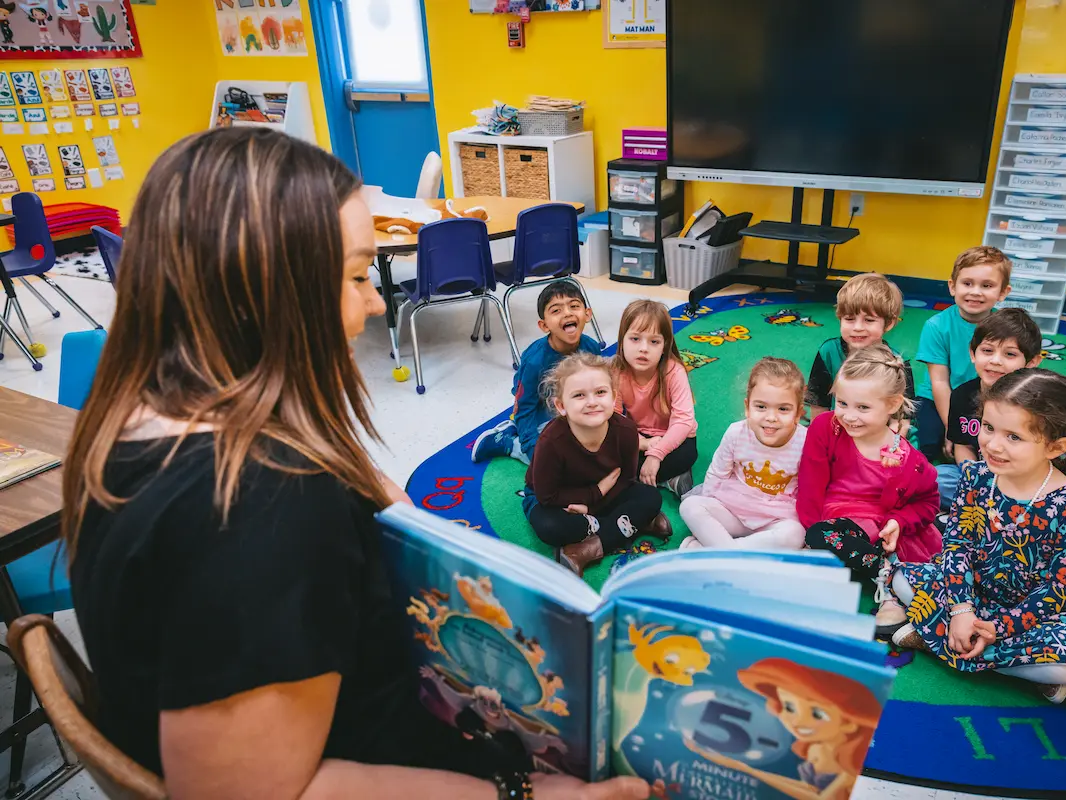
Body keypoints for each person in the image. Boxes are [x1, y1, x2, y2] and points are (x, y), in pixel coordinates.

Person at [63, 128, 648, 800]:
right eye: (355, 275)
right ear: (268, 293)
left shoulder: (127, 422)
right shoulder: (263, 506)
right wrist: (525, 795)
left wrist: (367, 490)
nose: (375, 303)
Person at [876, 369, 1066, 705]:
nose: (993, 445)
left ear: (1055, 446)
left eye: (1014, 437)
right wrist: (961, 611)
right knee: (900, 578)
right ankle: (991, 656)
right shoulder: (976, 477)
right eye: (988, 428)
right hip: (972, 592)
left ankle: (937, 639)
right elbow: (956, 548)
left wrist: (999, 628)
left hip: (1036, 614)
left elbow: (1059, 588)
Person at [798, 345, 941, 584]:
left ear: (893, 405)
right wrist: (810, 533)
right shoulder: (825, 427)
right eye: (842, 403)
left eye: (863, 407)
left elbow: (928, 502)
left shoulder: (910, 460)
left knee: (830, 547)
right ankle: (879, 570)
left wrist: (899, 521)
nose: (849, 416)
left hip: (877, 528)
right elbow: (810, 485)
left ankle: (884, 573)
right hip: (832, 523)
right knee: (820, 536)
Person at [524, 353, 671, 575]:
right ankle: (631, 524)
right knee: (550, 527)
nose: (592, 402)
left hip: (607, 494)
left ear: (613, 398)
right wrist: (594, 493)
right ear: (561, 406)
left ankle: (586, 549)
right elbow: (547, 496)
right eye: (579, 395)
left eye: (600, 392)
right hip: (558, 500)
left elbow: (625, 480)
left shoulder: (626, 431)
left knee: (651, 497)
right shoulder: (550, 441)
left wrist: (590, 507)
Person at [684, 658, 882, 800]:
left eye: (817, 714)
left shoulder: (853, 765)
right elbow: (810, 788)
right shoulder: (814, 748)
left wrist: (744, 768)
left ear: (850, 722)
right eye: (789, 707)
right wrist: (738, 766)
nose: (797, 721)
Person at [678, 357, 807, 551]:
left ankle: (709, 551)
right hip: (733, 509)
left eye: (783, 409)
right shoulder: (736, 433)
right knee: (690, 506)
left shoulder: (806, 441)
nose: (771, 417)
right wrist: (709, 514)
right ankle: (735, 552)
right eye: (761, 407)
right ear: (747, 407)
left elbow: (809, 488)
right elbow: (717, 473)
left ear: (798, 414)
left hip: (775, 517)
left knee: (795, 535)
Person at [472, 281, 602, 466]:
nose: (567, 313)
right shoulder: (535, 361)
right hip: (541, 408)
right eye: (556, 310)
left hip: (573, 405)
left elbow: (598, 387)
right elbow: (525, 408)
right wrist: (532, 448)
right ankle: (506, 441)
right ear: (544, 325)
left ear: (587, 314)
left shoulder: (591, 347)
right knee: (551, 461)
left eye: (574, 306)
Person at [913, 246, 1012, 462]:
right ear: (952, 286)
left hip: (984, 395)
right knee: (927, 444)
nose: (975, 292)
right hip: (938, 396)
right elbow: (939, 381)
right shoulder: (937, 326)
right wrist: (953, 429)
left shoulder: (1005, 328)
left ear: (1003, 292)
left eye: (987, 286)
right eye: (967, 283)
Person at [937, 308, 1042, 509]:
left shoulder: (1036, 404)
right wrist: (973, 474)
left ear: (1031, 363)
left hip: (1019, 478)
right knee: (935, 481)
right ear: (972, 353)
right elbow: (962, 446)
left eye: (1010, 354)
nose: (995, 360)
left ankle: (999, 506)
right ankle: (990, 505)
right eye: (987, 350)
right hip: (979, 476)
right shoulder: (961, 395)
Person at [612, 299, 698, 497]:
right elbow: (613, 419)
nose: (644, 348)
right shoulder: (615, 371)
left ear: (664, 345)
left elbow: (684, 422)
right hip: (639, 436)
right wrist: (642, 443)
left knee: (687, 454)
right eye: (635, 339)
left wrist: (656, 455)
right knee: (607, 452)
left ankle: (647, 479)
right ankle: (669, 480)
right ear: (622, 340)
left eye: (654, 342)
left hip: (675, 438)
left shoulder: (674, 371)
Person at [806, 272, 914, 418]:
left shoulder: (896, 362)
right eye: (849, 319)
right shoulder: (829, 351)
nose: (857, 327)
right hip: (837, 428)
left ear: (889, 324)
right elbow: (818, 402)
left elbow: (905, 416)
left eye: (869, 320)